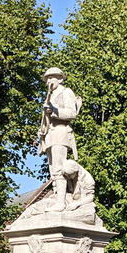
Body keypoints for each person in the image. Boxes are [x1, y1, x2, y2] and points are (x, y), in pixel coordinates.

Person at [36, 67, 82, 211]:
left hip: (61, 132)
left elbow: (72, 113)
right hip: (50, 134)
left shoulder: (66, 92)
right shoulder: (49, 96)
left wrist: (55, 111)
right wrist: (42, 130)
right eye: (47, 79)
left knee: (59, 168)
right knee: (53, 170)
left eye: (51, 77)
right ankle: (58, 195)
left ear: (60, 79)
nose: (48, 81)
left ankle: (61, 202)